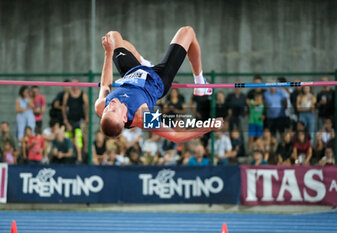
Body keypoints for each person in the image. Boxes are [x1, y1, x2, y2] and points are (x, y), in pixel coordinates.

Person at [94, 27, 222, 143]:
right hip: (158, 80)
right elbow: (175, 137)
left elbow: (105, 85)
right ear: (123, 117)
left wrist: (108, 53)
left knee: (112, 36)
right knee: (187, 32)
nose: (110, 105)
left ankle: (144, 63)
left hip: (132, 74)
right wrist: (209, 126)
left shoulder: (100, 106)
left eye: (107, 110)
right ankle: (201, 84)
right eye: (114, 110)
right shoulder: (142, 117)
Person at [62, 79, 89, 163]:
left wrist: (87, 118)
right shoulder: (67, 95)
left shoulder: (83, 94)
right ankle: (76, 156)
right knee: (71, 138)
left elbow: (87, 106)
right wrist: (65, 120)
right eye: (73, 84)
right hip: (71, 120)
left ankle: (83, 153)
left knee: (81, 137)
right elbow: (63, 107)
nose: (74, 85)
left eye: (76, 83)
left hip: (80, 120)